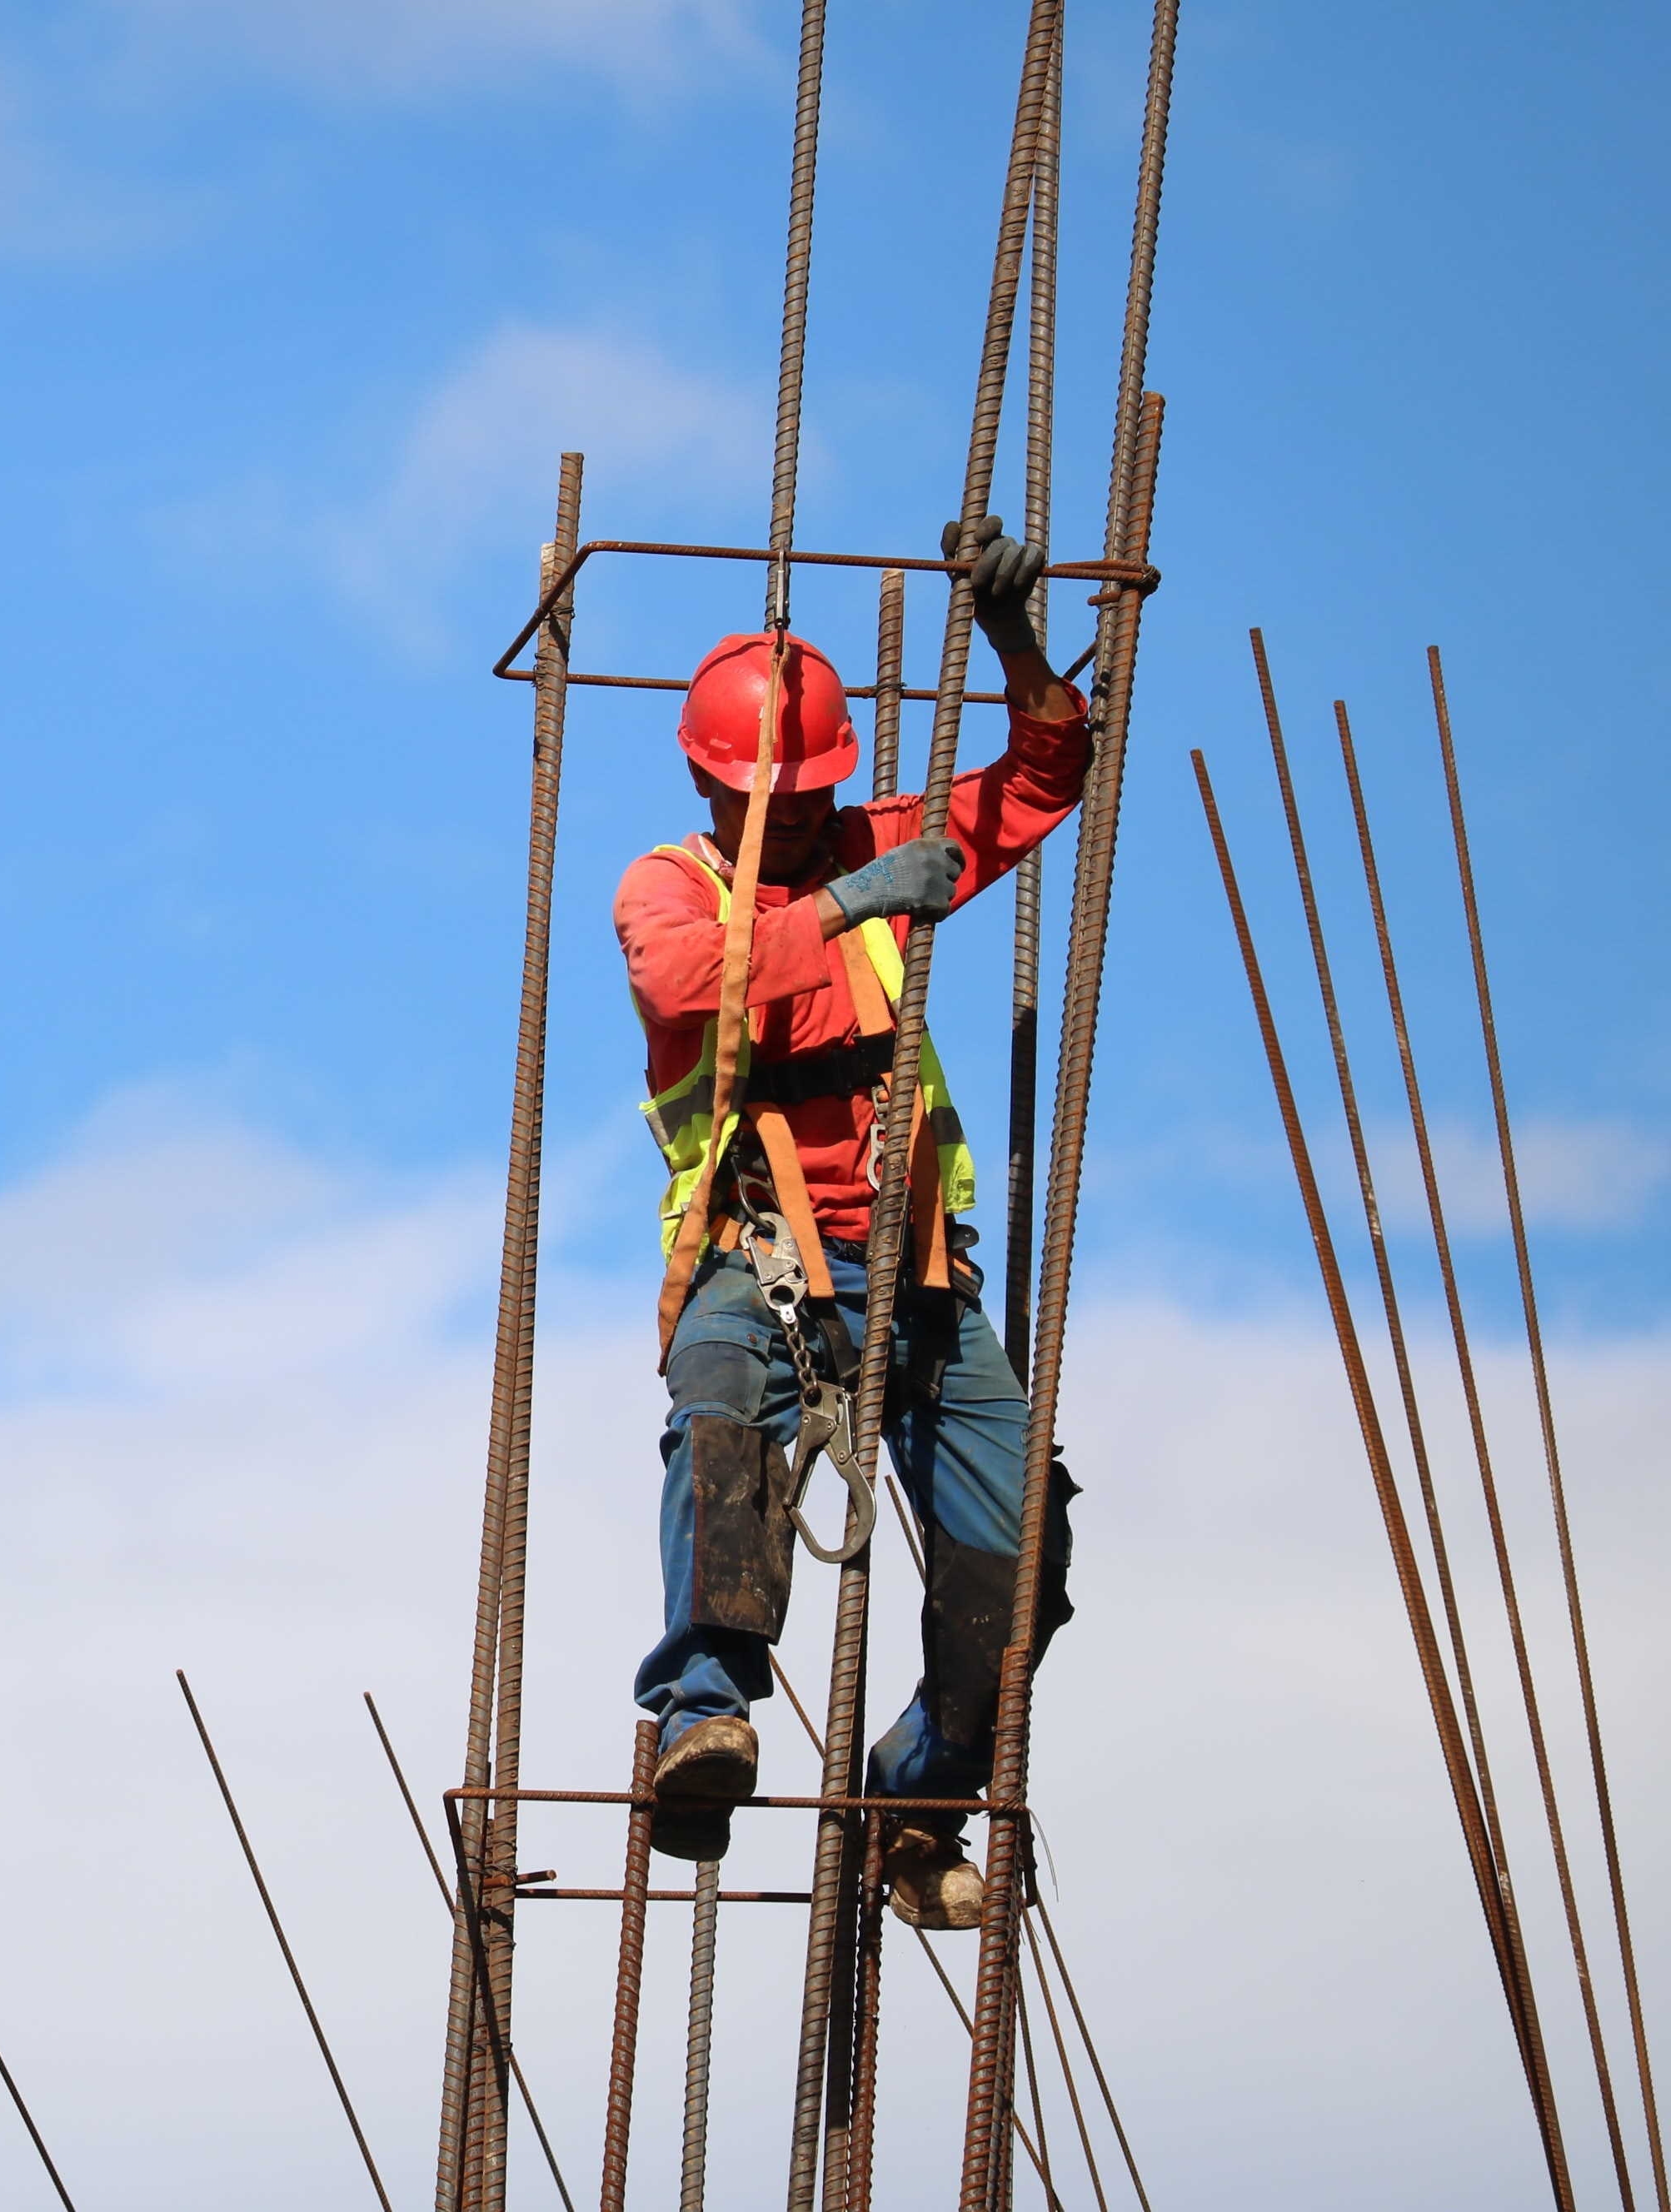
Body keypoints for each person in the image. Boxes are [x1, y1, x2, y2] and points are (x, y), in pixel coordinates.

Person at [610, 518, 1085, 1930]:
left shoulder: (874, 846)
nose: (808, 818)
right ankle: (707, 1708)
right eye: (782, 798)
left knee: (1022, 1573)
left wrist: (1014, 647)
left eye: (821, 795)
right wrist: (846, 898)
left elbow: (1040, 779)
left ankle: (914, 1799)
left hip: (917, 1275)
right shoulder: (669, 888)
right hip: (756, 1257)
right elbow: (692, 984)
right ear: (712, 778)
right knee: (719, 1412)